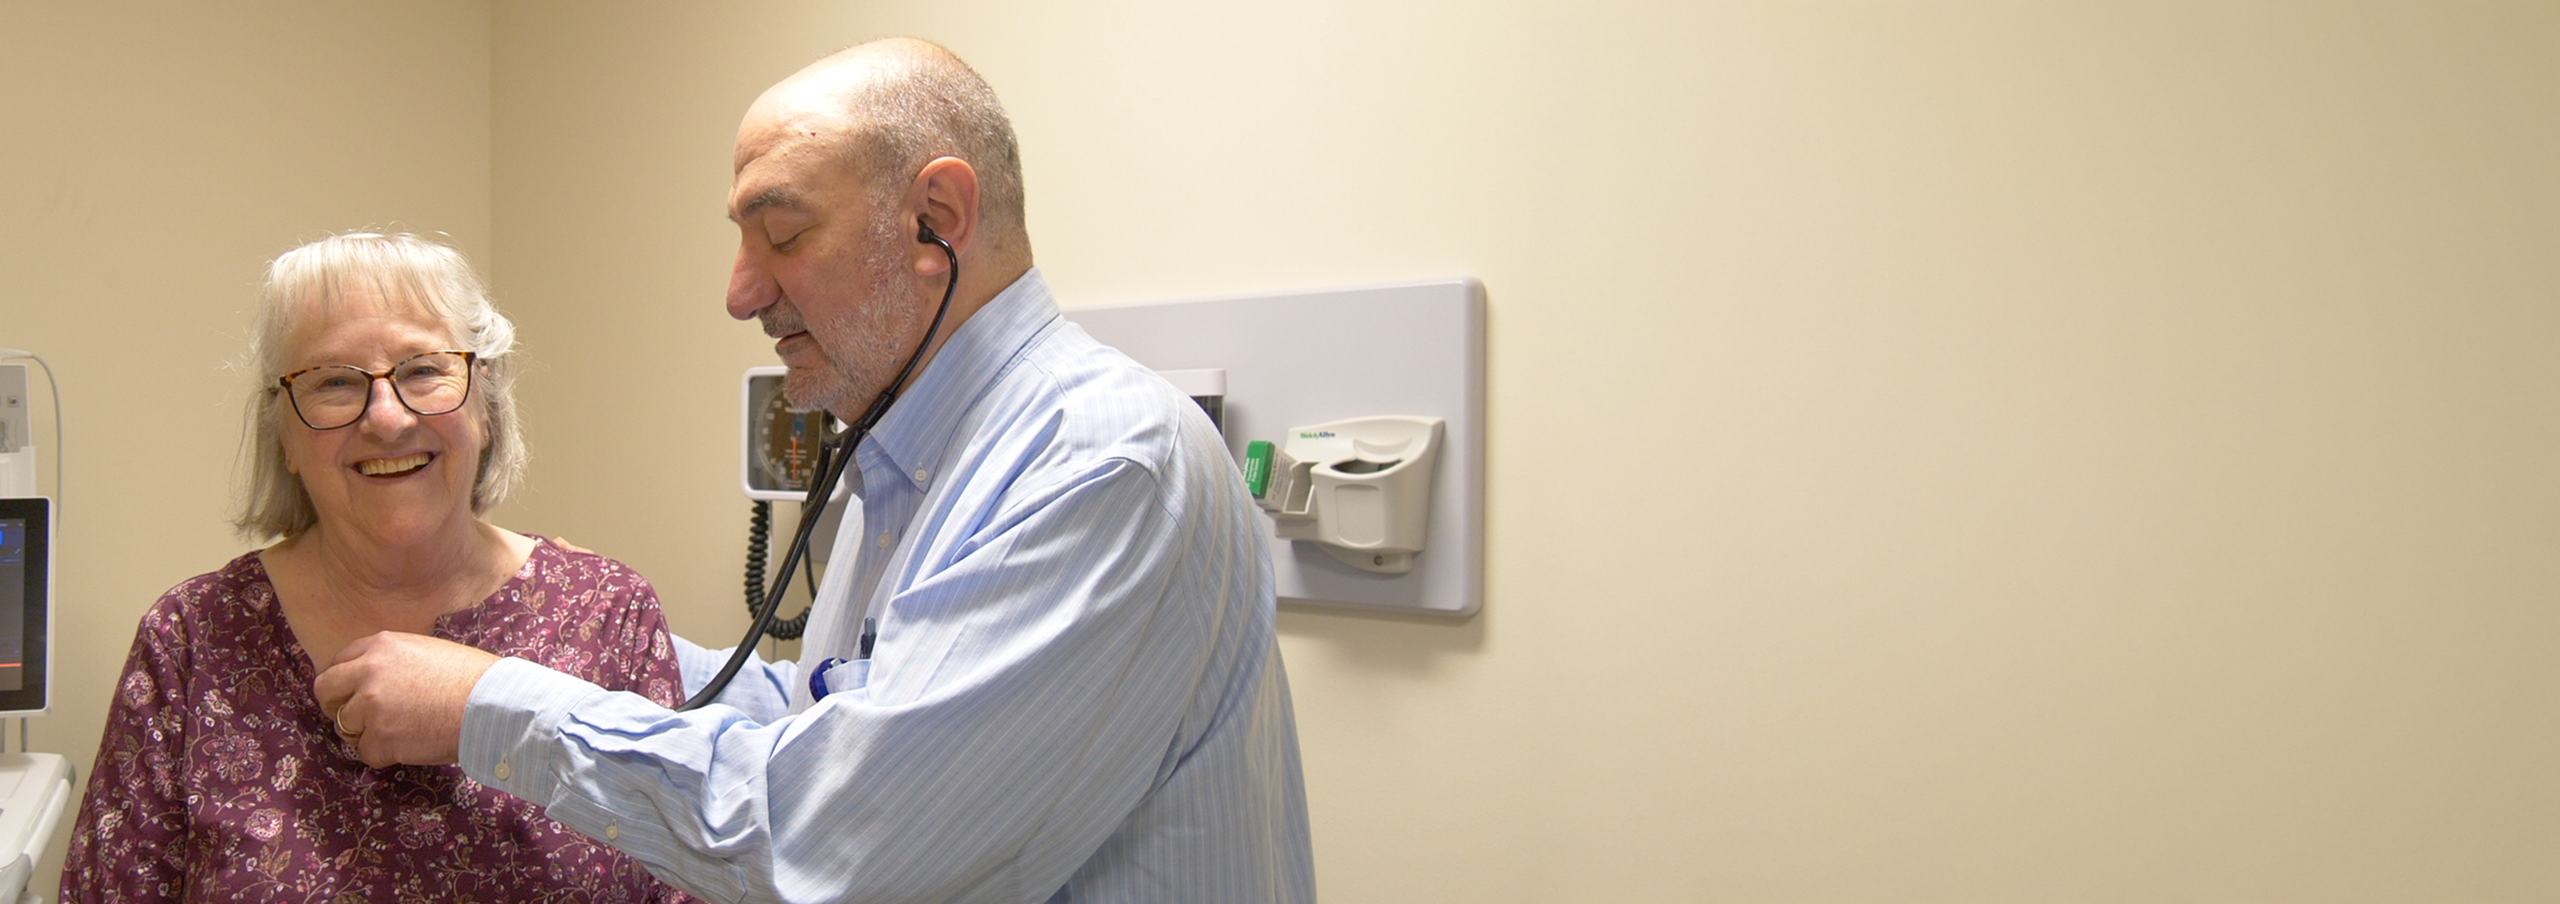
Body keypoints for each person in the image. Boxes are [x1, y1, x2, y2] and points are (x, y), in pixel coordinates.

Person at [316, 38, 1316, 902]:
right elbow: (849, 716)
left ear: (937, 218)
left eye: (783, 234)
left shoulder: (1098, 465)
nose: (741, 292)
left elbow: (842, 839)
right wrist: (592, 628)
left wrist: (489, 704)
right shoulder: (912, 458)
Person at [62, 233, 697, 903]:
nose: (387, 419)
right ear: (285, 438)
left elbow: (683, 872)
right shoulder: (192, 641)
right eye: (333, 382)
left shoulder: (606, 614)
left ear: (486, 404)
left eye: (424, 370)